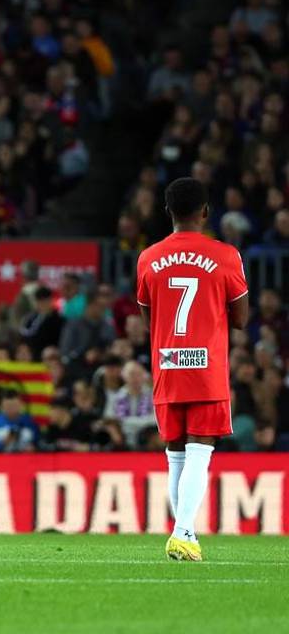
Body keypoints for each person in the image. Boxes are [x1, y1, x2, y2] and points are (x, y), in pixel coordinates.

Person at [136, 177, 249, 562]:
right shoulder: (226, 255)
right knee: (201, 449)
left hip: (167, 364)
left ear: (167, 211)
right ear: (205, 211)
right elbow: (241, 318)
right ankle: (183, 533)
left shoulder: (148, 257)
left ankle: (186, 533)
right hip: (206, 366)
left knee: (175, 454)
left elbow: (147, 317)